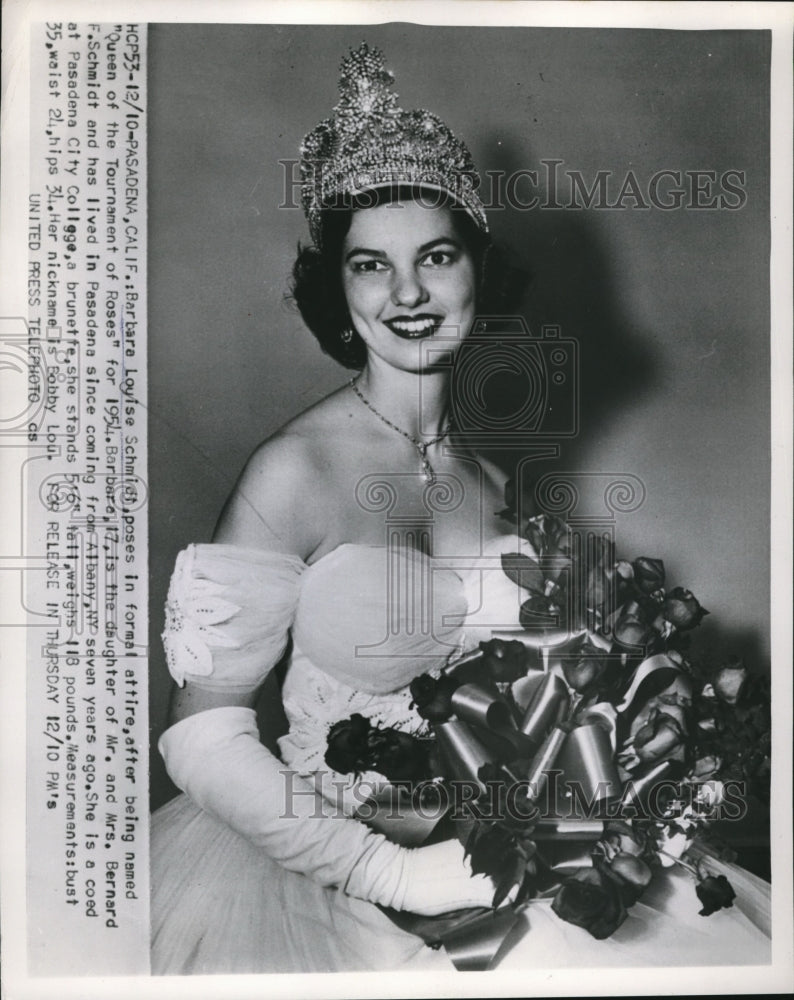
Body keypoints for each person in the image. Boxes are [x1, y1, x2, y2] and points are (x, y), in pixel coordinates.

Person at [150, 42, 771, 975]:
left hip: (494, 853)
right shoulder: (294, 469)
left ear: (477, 271)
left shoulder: (488, 478)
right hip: (328, 875)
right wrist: (394, 874)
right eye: (370, 266)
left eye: (435, 256)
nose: (407, 294)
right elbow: (202, 732)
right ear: (338, 288)